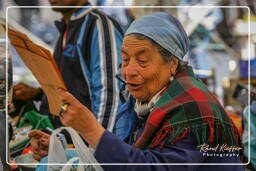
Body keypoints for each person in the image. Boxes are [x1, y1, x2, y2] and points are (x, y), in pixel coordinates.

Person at [29, 12, 244, 170]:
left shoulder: (193, 111)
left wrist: (91, 129)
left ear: (172, 63)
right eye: (124, 59)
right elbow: (133, 154)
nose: (128, 71)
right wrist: (64, 151)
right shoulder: (143, 102)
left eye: (142, 60)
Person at [13, 0, 123, 131]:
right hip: (62, 135)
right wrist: (38, 94)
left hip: (85, 141)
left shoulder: (98, 26)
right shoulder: (67, 28)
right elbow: (71, 87)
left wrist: (98, 146)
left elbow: (110, 96)